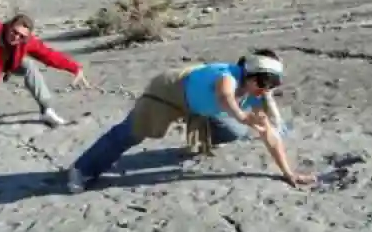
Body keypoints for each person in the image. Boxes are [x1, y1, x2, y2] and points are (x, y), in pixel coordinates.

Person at [65, 49, 316, 191]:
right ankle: (81, 170)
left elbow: (269, 135)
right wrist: (241, 115)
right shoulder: (227, 75)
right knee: (132, 133)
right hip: (169, 92)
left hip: (200, 106)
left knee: (235, 132)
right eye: (262, 81)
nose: (265, 88)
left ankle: (199, 133)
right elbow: (225, 95)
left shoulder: (258, 95)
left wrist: (289, 173)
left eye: (272, 84)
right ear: (249, 74)